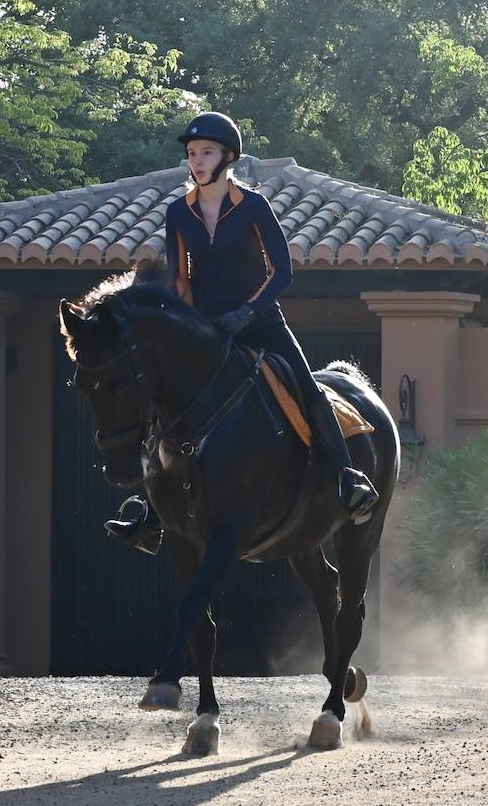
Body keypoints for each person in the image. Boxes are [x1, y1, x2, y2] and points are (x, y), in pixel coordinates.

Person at [105, 111, 378, 553]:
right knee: (162, 397)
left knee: (308, 389)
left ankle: (348, 478)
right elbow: (179, 278)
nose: (196, 161)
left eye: (205, 153)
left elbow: (282, 271)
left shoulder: (252, 206)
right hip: (206, 327)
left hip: (261, 321)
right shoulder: (179, 212)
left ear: (227, 157)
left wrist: (248, 313)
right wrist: (184, 324)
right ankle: (150, 508)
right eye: (192, 154)